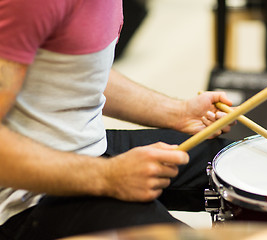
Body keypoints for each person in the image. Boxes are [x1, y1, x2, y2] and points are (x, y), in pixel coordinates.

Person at [0, 0, 235, 239]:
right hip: (24, 196)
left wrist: (178, 112)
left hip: (90, 149)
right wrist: (108, 176)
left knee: (237, 163)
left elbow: (78, 69)